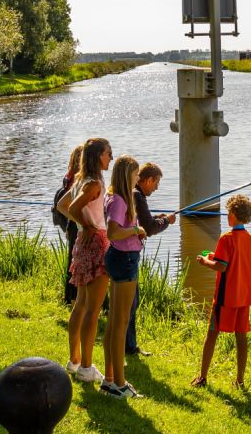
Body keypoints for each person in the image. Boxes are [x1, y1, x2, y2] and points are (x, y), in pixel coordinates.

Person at [59, 137, 112, 384]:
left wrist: (82, 224)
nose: (110, 158)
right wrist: (89, 224)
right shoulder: (93, 184)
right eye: (107, 154)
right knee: (93, 308)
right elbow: (71, 207)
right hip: (96, 242)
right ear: (97, 156)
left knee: (80, 303)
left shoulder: (81, 179)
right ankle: (87, 367)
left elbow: (62, 204)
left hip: (81, 242)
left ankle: (74, 360)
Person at [191, 194, 251, 389]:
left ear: (233, 215)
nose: (227, 216)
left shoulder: (226, 238)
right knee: (241, 337)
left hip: (226, 298)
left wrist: (205, 261)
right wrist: (215, 256)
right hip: (244, 296)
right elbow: (231, 261)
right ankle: (240, 380)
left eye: (228, 212)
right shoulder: (248, 238)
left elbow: (222, 267)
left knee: (212, 334)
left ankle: (202, 377)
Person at [100, 155, 147, 399]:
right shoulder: (119, 200)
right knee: (120, 324)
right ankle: (119, 383)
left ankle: (109, 380)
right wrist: (136, 230)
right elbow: (113, 232)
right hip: (125, 260)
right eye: (136, 174)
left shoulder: (114, 195)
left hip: (120, 258)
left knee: (114, 323)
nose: (138, 178)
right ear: (127, 174)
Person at [126, 162, 176, 356]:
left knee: (131, 301)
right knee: (131, 302)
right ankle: (129, 347)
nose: (157, 188)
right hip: (128, 255)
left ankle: (129, 345)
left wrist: (158, 218)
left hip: (126, 253)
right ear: (148, 180)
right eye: (156, 183)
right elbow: (149, 228)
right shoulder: (137, 195)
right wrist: (166, 221)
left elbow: (142, 220)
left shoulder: (133, 193)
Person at [59, 144, 84, 304]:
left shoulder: (68, 175)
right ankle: (75, 296)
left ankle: (69, 296)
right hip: (77, 221)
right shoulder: (78, 178)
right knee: (77, 260)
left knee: (72, 259)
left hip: (70, 221)